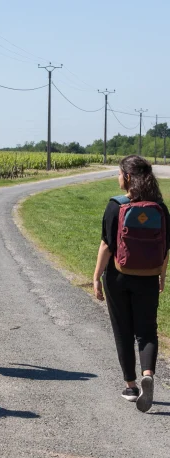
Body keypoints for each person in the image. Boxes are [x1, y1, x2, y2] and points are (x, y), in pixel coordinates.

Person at [93, 155, 169, 412]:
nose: (118, 178)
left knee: (122, 330)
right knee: (147, 331)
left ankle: (131, 386)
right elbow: (165, 248)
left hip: (118, 276)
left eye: (118, 173)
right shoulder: (160, 208)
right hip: (148, 276)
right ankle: (148, 373)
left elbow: (106, 245)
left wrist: (96, 277)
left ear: (127, 177)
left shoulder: (115, 206)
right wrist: (161, 274)